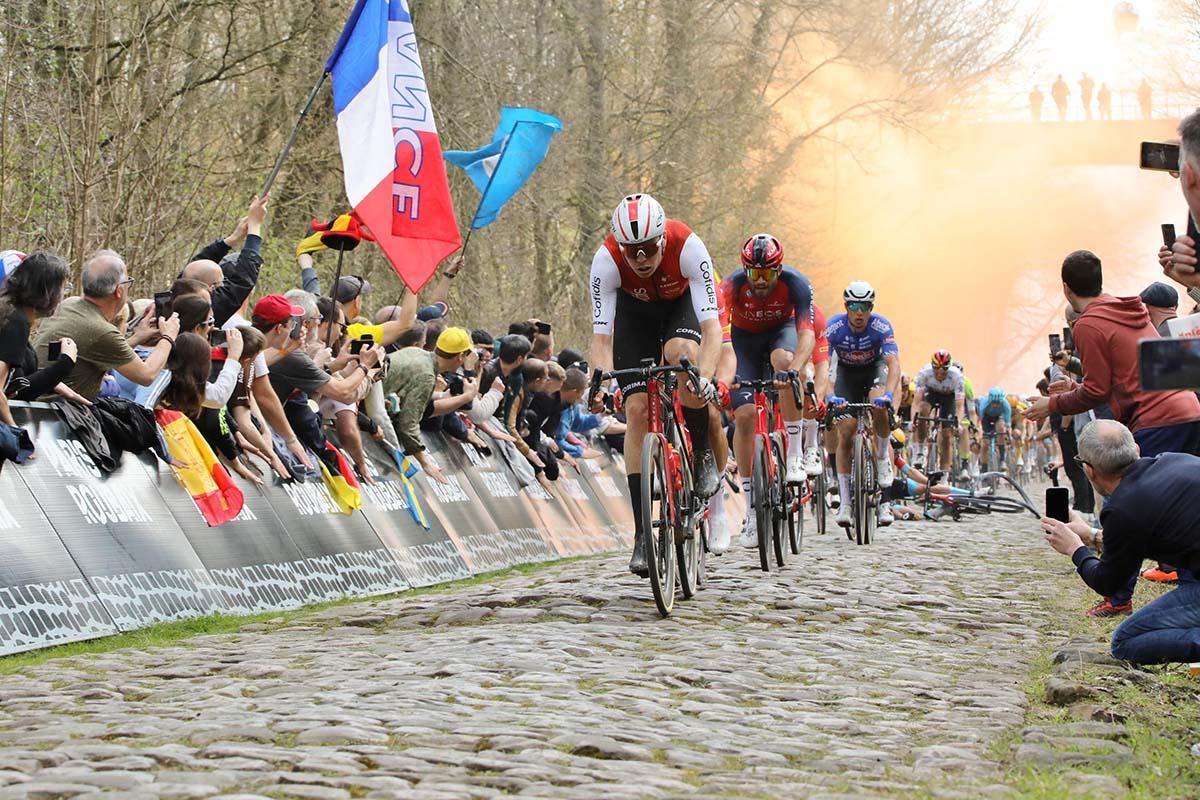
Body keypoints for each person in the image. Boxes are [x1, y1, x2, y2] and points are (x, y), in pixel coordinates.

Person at [588, 193, 722, 577]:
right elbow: (602, 340)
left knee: (683, 358)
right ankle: (643, 534)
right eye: (633, 252)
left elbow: (712, 328)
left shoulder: (689, 246)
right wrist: (602, 385)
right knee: (635, 411)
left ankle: (700, 456)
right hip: (635, 317)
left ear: (662, 239)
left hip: (681, 308)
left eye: (648, 248)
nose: (642, 259)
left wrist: (706, 378)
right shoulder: (606, 260)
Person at [1041, 420, 1200, 665]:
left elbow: (1108, 583)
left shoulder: (1123, 508)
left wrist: (1075, 549)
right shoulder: (1172, 460)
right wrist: (1090, 535)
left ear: (1089, 470)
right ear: (1136, 450)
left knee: (1124, 642)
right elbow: (1134, 542)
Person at [719, 234, 815, 547]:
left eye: (767, 274)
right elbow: (717, 333)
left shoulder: (796, 283)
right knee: (744, 416)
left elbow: (806, 336)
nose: (760, 281)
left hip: (780, 335)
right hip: (743, 343)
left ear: (779, 269)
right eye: (754, 273)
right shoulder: (731, 286)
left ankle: (796, 453)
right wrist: (724, 373)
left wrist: (795, 370)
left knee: (784, 361)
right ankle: (750, 509)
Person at [34, 250, 180, 401]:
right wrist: (168, 336)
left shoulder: (68, 304)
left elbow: (101, 350)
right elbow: (147, 375)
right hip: (57, 414)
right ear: (119, 290)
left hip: (32, 403)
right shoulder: (101, 331)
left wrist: (138, 337)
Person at [825, 280, 901, 529]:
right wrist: (829, 395)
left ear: (871, 308)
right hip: (846, 375)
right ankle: (846, 502)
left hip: (873, 372)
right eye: (855, 306)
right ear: (846, 306)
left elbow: (893, 364)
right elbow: (824, 368)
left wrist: (888, 395)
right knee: (845, 432)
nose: (860, 312)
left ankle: (881, 459)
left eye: (865, 306)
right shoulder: (834, 327)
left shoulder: (881, 326)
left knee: (879, 408)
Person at [0, 252, 84, 426]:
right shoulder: (15, 323)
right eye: (63, 289)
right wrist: (17, 434)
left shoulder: (12, 314)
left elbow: (18, 384)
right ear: (48, 291)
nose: (63, 296)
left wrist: (52, 381)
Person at [181, 194, 269, 327]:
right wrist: (255, 226)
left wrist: (232, 239)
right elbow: (243, 280)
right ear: (211, 288)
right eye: (221, 283)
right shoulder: (204, 312)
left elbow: (197, 267)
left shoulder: (175, 299)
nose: (223, 286)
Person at [912, 350, 966, 474]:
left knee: (947, 436)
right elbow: (916, 401)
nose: (940, 372)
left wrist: (959, 423)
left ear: (949, 368)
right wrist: (914, 421)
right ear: (932, 366)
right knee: (922, 411)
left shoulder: (957, 376)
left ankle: (944, 473)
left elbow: (959, 405)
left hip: (948, 398)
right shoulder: (924, 373)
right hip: (931, 394)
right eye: (936, 368)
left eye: (944, 369)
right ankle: (920, 450)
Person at [976, 387, 1011, 473]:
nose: (995, 405)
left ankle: (1002, 460)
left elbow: (1008, 423)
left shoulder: (1006, 405)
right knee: (984, 445)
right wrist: (980, 432)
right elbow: (979, 420)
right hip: (986, 419)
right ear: (990, 401)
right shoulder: (984, 404)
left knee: (1001, 428)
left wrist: (1007, 434)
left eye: (998, 403)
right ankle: (984, 470)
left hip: (998, 418)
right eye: (993, 403)